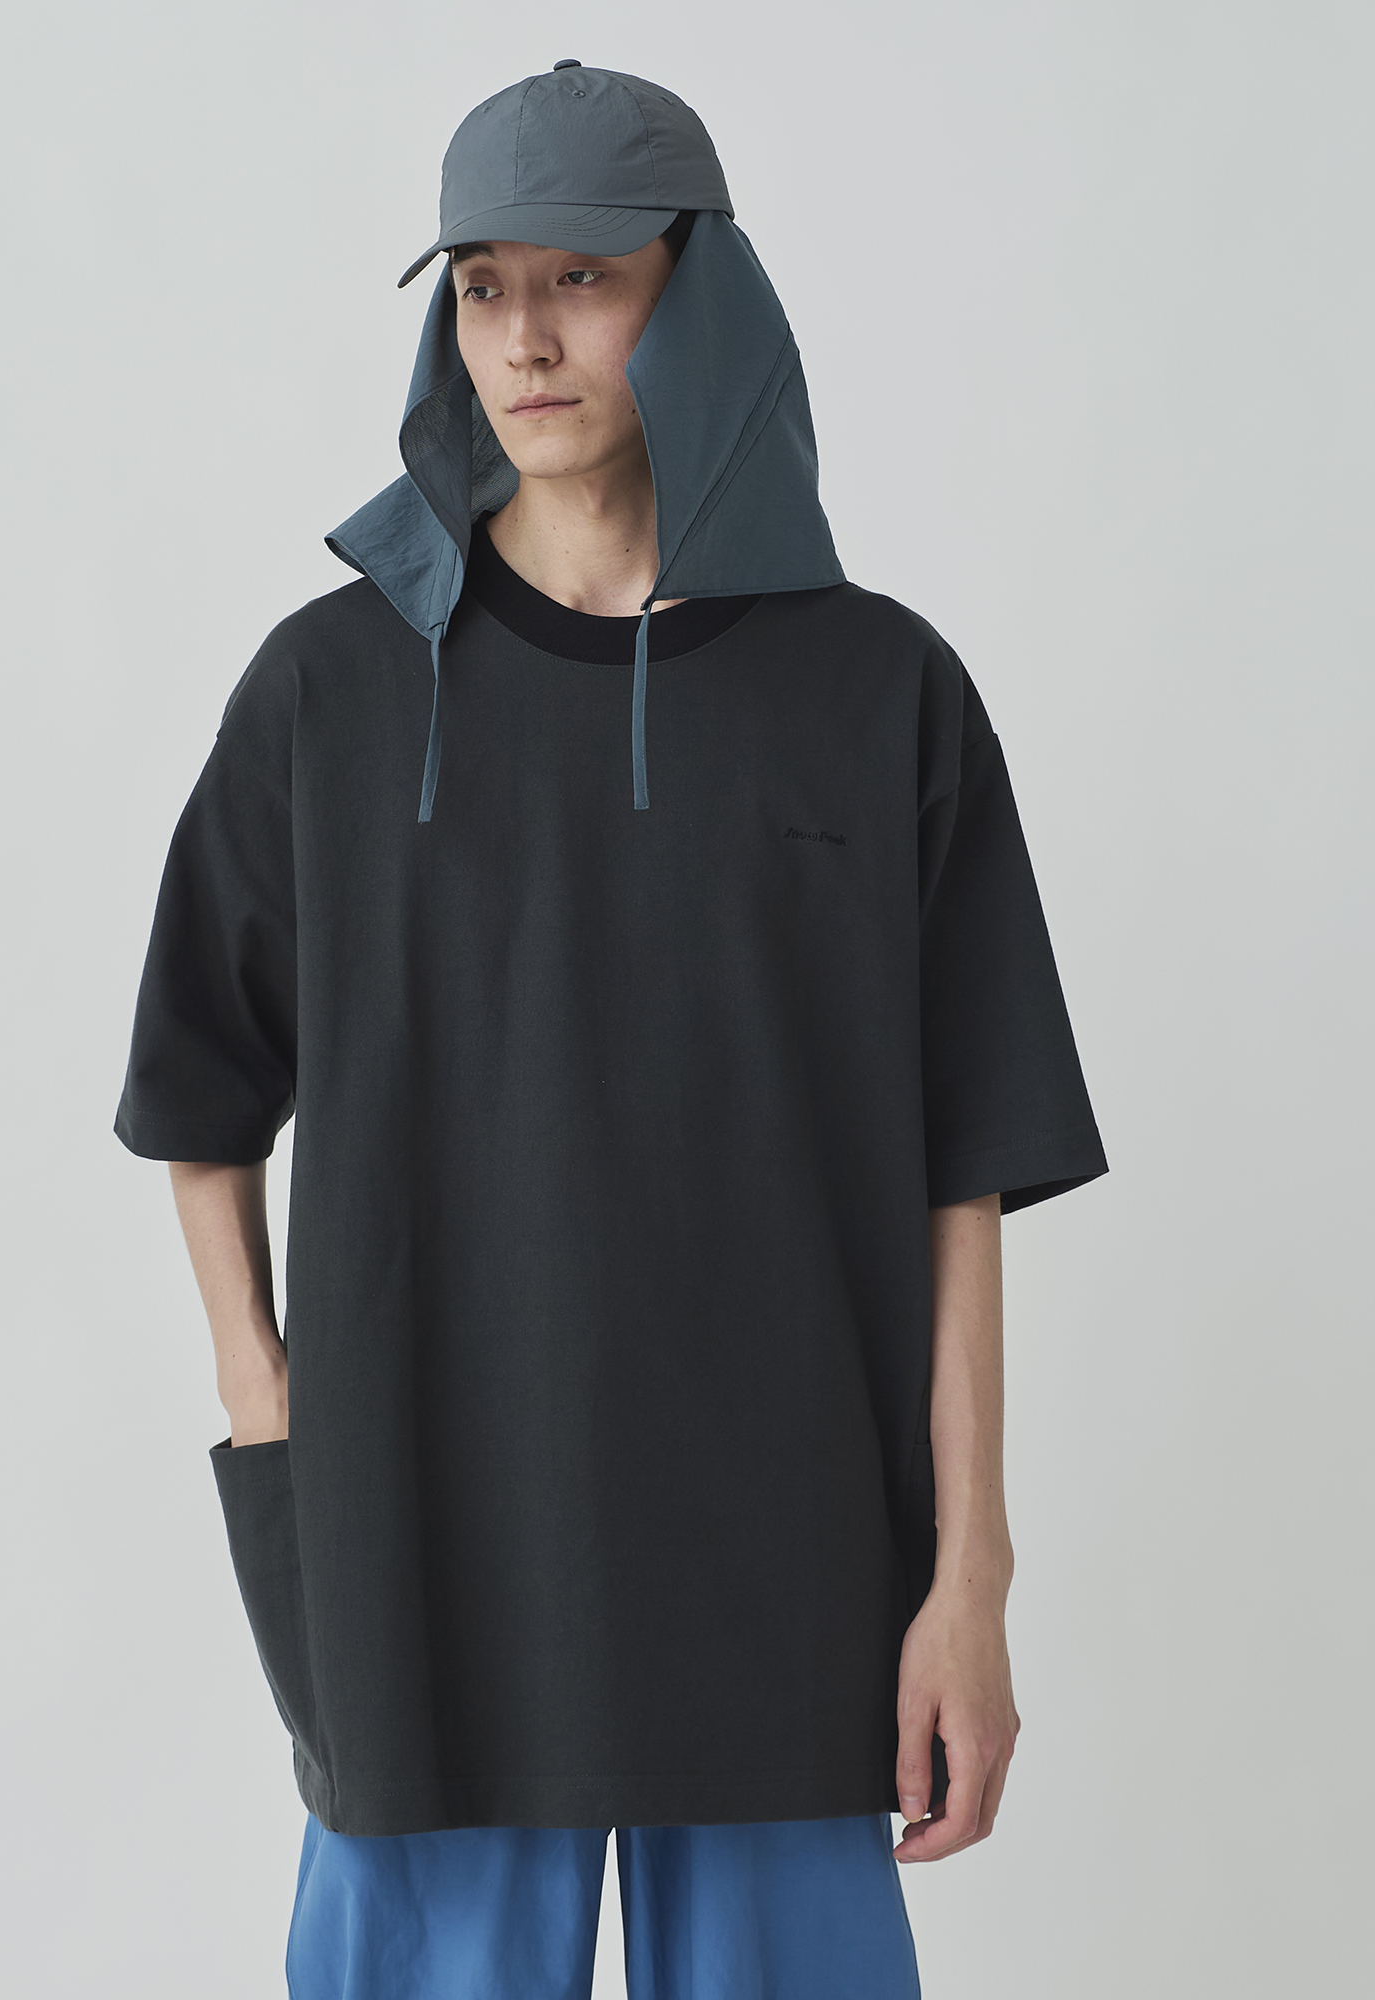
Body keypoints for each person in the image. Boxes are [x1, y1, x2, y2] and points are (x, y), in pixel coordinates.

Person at [113, 60, 1108, 1999]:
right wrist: (271, 1406)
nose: (523, 339)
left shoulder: (876, 692)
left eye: (580, 278)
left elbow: (960, 1174)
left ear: (696, 291)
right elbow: (197, 1091)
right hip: (421, 1551)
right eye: (482, 285)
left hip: (792, 1560)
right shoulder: (329, 694)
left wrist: (969, 1577)